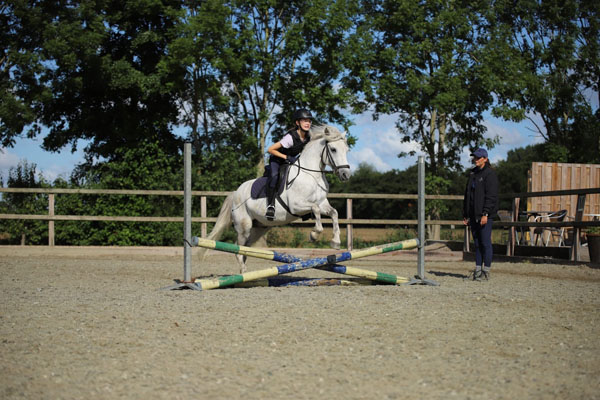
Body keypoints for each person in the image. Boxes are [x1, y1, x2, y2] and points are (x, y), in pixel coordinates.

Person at [265, 109, 312, 220]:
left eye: (309, 121)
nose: (307, 123)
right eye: (304, 120)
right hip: (277, 160)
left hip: (290, 161)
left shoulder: (308, 137)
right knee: (275, 176)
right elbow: (270, 149)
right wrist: (287, 157)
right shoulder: (290, 138)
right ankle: (270, 206)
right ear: (297, 123)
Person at [463, 148, 499, 281]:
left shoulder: (490, 175)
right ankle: (478, 270)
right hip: (473, 215)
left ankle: (486, 271)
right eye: (475, 158)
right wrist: (465, 214)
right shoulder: (473, 174)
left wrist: (486, 213)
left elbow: (491, 196)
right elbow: (468, 195)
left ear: (485, 159)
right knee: (477, 243)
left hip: (484, 215)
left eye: (478, 158)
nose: (475, 160)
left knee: (485, 243)